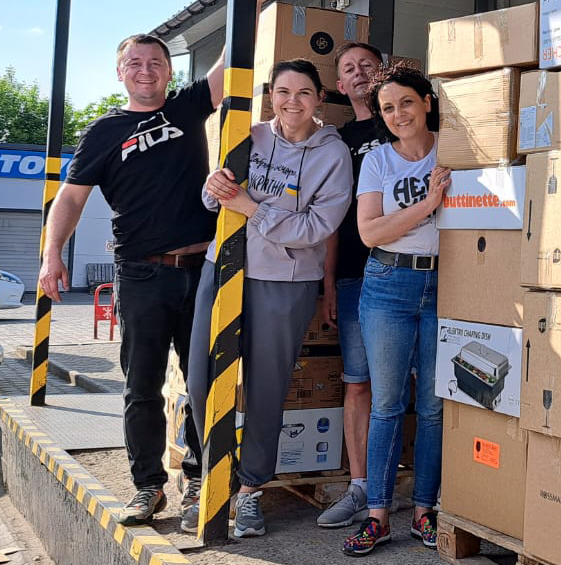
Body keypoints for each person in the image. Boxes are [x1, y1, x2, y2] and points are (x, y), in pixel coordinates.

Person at [38, 33, 225, 526]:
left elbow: (230, 63)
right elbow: (71, 197)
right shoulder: (104, 131)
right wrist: (52, 254)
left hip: (201, 271)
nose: (146, 70)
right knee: (142, 386)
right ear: (120, 73)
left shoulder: (187, 107)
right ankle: (148, 487)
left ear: (169, 70)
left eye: (156, 62)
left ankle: (199, 479)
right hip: (141, 274)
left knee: (203, 381)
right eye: (135, 63)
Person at [183, 58, 353, 537]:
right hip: (224, 268)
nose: (292, 102)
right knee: (201, 379)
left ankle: (251, 490)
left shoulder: (333, 155)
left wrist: (251, 208)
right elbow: (214, 197)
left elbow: (316, 227)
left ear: (319, 99)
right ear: (270, 96)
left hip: (285, 281)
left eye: (303, 93)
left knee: (265, 389)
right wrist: (215, 187)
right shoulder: (249, 135)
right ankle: (214, 478)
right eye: (283, 92)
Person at [341, 65, 451, 556]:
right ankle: (378, 516)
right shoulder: (378, 160)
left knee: (433, 406)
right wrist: (428, 204)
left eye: (406, 102)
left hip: (447, 283)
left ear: (427, 101)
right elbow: (370, 232)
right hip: (389, 283)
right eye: (387, 108)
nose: (398, 114)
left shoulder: (452, 151)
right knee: (387, 404)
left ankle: (425, 511)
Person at [317, 42, 386, 529]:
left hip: (415, 273)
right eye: (349, 69)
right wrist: (328, 283)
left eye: (368, 65)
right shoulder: (337, 143)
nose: (359, 73)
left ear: (383, 72)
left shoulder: (409, 123)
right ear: (339, 86)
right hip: (355, 276)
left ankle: (422, 491)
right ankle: (361, 487)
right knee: (359, 383)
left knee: (417, 386)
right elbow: (331, 219)